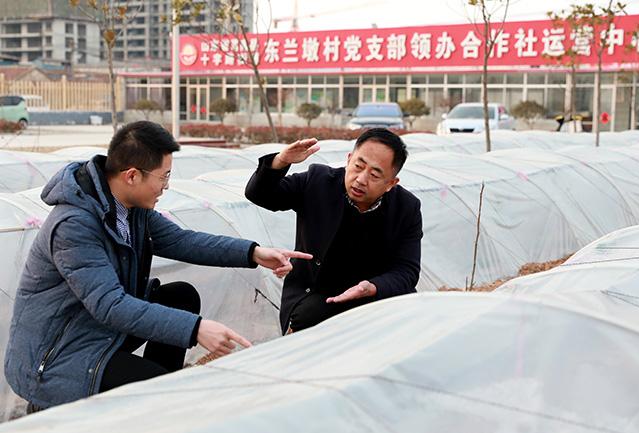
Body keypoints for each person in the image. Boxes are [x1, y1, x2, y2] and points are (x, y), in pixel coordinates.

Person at [4, 121, 311, 412]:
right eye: (163, 177)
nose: (165, 186)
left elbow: (182, 241)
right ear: (132, 175)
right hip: (58, 354)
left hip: (95, 330)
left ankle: (156, 398)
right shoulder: (75, 225)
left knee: (181, 297)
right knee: (157, 389)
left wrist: (254, 253)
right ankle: (62, 404)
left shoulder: (129, 206)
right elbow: (110, 306)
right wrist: (196, 329)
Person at [245, 128, 422, 334]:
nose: (361, 179)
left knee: (410, 324)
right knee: (311, 316)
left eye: (374, 175)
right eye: (358, 166)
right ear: (348, 159)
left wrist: (373, 287)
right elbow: (259, 194)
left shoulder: (406, 207)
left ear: (391, 183)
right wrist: (281, 160)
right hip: (317, 293)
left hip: (371, 297)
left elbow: (407, 270)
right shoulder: (318, 181)